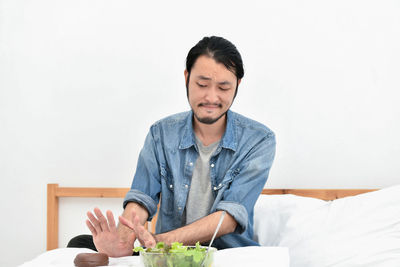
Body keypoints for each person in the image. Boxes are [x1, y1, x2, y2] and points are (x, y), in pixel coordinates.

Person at [67, 36, 276, 257]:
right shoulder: (161, 134)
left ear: (237, 86)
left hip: (224, 254)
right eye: (202, 85)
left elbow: (229, 218)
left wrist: (159, 241)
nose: (211, 97)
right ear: (186, 78)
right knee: (79, 243)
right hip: (167, 256)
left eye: (223, 88)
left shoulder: (259, 140)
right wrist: (123, 239)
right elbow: (141, 198)